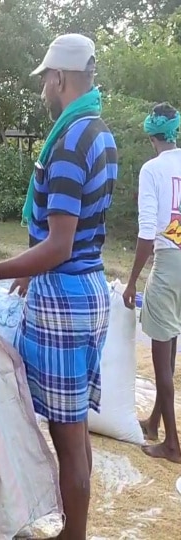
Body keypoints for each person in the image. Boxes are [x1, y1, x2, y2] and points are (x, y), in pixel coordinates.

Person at [0, 34, 116, 540]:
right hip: (87, 287)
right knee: (75, 434)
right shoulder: (99, 132)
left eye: (46, 80)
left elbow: (60, 243)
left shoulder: (69, 143)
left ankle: (74, 535)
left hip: (65, 295)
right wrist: (25, 269)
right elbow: (72, 234)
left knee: (67, 441)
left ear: (60, 79)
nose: (44, 89)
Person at [122, 102, 181, 463]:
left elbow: (147, 234)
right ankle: (155, 421)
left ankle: (172, 444)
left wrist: (131, 282)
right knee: (171, 342)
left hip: (168, 262)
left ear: (150, 135)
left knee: (161, 356)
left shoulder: (152, 170)